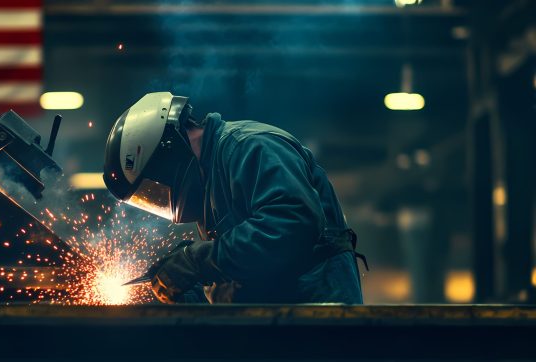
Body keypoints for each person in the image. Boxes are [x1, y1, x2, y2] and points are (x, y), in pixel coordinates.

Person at [103, 92, 364, 304]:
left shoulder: (251, 147)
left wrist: (198, 260)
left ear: (168, 154)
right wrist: (187, 287)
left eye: (154, 191)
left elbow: (292, 224)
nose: (159, 201)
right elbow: (243, 269)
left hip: (320, 321)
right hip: (281, 328)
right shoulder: (211, 186)